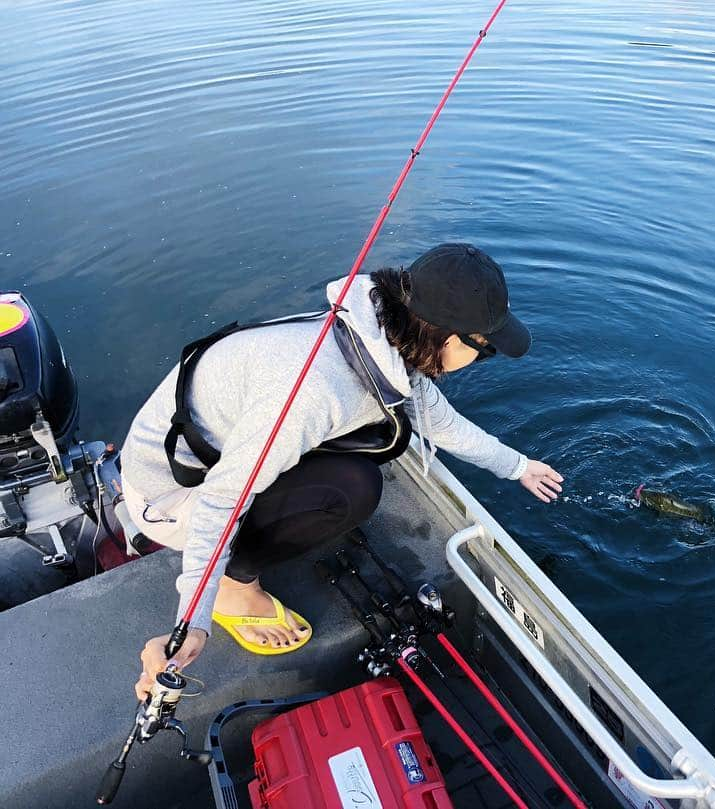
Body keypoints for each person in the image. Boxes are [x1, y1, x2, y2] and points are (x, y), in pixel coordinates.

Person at [122, 243, 563, 700]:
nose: (482, 358)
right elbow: (221, 498)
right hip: (171, 496)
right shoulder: (317, 392)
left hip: (218, 454)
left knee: (363, 459)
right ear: (451, 340)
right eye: (485, 349)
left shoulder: (375, 334)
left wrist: (519, 467)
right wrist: (192, 621)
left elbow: (440, 421)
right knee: (352, 488)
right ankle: (237, 586)